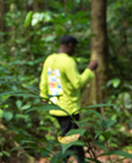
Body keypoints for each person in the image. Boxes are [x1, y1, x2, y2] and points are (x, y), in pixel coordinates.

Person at [39, 35, 98, 163]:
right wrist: (90, 69)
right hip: (68, 108)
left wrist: (44, 98)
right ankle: (60, 160)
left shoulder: (50, 59)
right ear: (70, 45)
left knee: (73, 135)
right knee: (69, 138)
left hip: (54, 106)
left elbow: (43, 81)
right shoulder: (68, 61)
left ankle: (81, 160)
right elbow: (78, 83)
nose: (74, 49)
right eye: (74, 46)